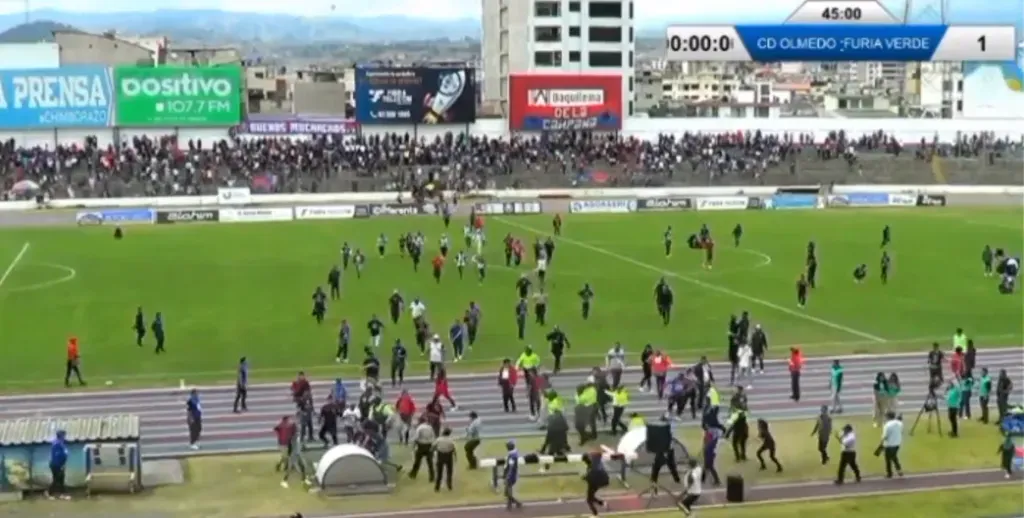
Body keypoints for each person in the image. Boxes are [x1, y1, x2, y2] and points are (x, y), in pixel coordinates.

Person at [409, 417, 436, 482]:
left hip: (421, 446)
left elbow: (416, 437)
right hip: (429, 446)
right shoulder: (430, 427)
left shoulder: (419, 428)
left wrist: (413, 445)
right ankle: (432, 476)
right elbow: (433, 436)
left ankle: (413, 474)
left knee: (417, 462)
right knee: (430, 463)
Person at [583, 450, 609, 516]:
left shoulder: (595, 465)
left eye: (591, 456)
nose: (590, 456)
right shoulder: (597, 463)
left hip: (594, 482)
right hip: (597, 482)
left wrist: (586, 477)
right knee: (590, 497)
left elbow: (592, 474)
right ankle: (602, 503)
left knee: (589, 500)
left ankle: (595, 514)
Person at [879, 411, 904, 478]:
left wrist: (881, 443)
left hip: (889, 445)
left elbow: (885, 436)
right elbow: (900, 425)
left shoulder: (887, 425)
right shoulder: (899, 423)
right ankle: (898, 470)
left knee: (888, 459)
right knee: (893, 457)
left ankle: (890, 473)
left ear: (888, 417)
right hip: (897, 444)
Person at [47, 430, 69, 500]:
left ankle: (62, 494)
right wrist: (61, 465)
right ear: (61, 436)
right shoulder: (57, 444)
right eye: (64, 435)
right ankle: (49, 493)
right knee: (57, 479)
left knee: (61, 479)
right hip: (56, 464)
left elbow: (63, 454)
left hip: (58, 464)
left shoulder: (59, 443)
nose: (65, 437)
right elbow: (59, 455)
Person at [433, 427, 457, 492]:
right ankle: (449, 485)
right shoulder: (451, 440)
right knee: (449, 472)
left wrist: (435, 452)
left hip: (440, 455)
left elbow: (433, 447)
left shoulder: (439, 439)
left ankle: (437, 487)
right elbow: (454, 449)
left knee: (439, 473)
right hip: (448, 456)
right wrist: (455, 457)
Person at [503, 440, 524, 510]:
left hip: (511, 476)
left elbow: (511, 467)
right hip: (511, 475)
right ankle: (509, 505)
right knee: (508, 491)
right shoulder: (513, 454)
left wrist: (508, 476)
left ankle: (517, 503)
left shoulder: (512, 456)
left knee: (507, 492)